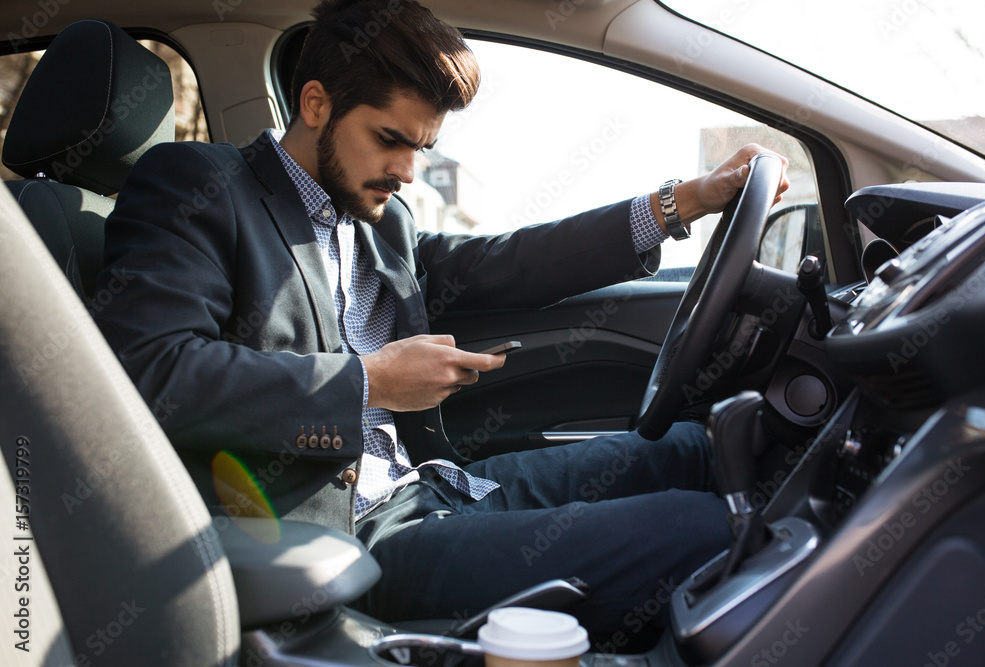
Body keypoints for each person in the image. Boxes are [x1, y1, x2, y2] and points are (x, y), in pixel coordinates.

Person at [94, 0, 789, 646]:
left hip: (436, 486)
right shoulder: (198, 185)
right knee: (705, 529)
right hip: (351, 540)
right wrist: (370, 384)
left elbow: (509, 264)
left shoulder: (381, 219)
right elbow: (154, 373)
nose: (407, 170)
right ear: (315, 104)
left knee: (699, 449)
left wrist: (683, 201)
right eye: (391, 139)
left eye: (422, 147)